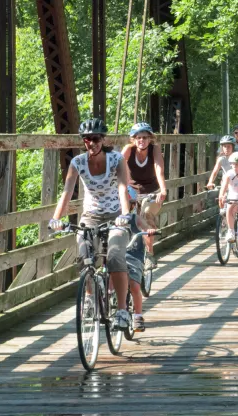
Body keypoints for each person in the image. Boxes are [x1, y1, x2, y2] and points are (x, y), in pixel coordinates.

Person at [49, 117, 136, 330]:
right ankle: (89, 298)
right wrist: (56, 219)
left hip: (116, 214)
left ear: (103, 139)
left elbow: (123, 188)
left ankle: (123, 310)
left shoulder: (116, 159)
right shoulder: (77, 162)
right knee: (84, 255)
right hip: (90, 215)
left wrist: (125, 214)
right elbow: (67, 192)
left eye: (96, 138)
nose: (92, 143)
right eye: (87, 139)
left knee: (115, 256)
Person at [122, 122, 167, 262]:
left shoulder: (154, 149)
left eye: (145, 137)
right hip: (133, 190)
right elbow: (116, 167)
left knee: (147, 214)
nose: (142, 140)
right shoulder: (129, 150)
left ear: (150, 139)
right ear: (133, 139)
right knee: (124, 217)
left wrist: (163, 190)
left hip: (152, 191)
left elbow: (159, 171)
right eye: (138, 137)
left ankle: (149, 255)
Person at [119, 204, 155, 332]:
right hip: (117, 254)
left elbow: (146, 228)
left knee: (134, 285)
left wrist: (149, 232)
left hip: (133, 254)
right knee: (109, 281)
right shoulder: (110, 218)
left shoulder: (135, 218)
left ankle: (138, 315)